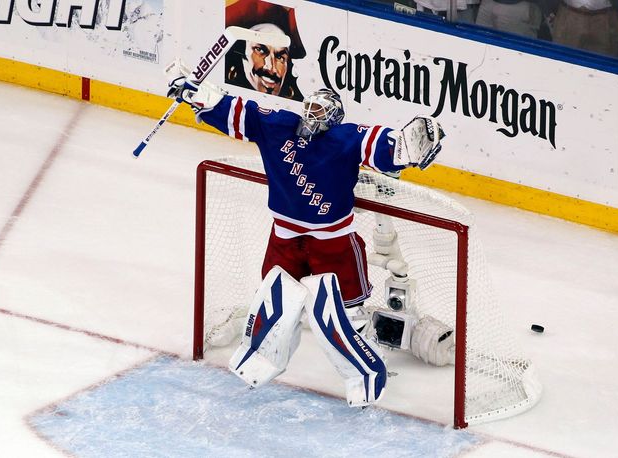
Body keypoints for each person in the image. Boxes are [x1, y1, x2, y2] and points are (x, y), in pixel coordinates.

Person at [166, 61, 448, 407]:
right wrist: (200, 97)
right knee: (275, 300)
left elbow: (382, 145)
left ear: (333, 118)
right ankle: (262, 359)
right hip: (284, 235)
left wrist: (407, 146)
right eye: (310, 107)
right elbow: (240, 112)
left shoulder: (346, 138)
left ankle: (367, 369)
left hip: (333, 240)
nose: (311, 115)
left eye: (320, 111)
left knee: (347, 313)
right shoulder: (280, 125)